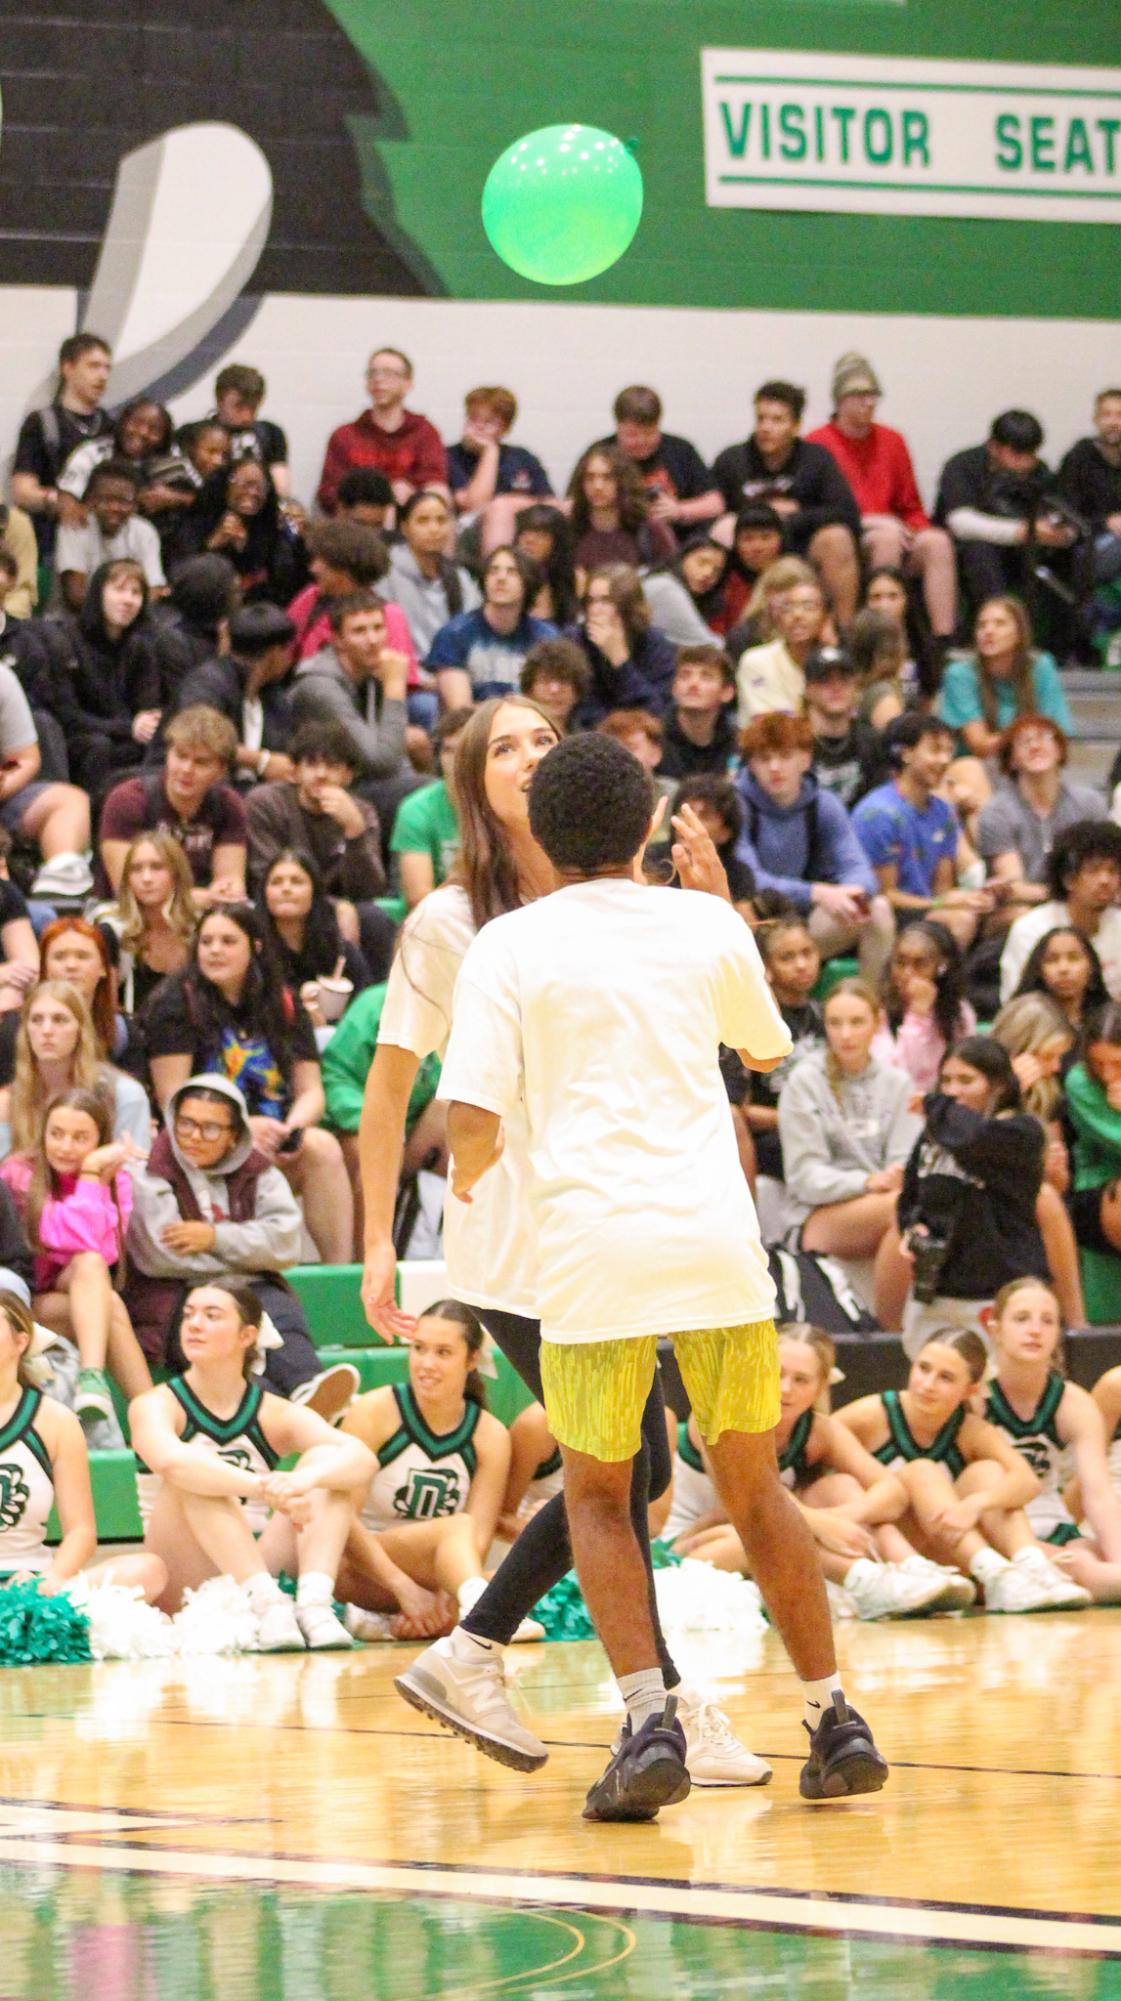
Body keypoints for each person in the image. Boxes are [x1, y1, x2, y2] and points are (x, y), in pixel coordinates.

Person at [435, 731, 887, 1816]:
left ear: (540, 831)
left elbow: (469, 1122)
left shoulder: (507, 944)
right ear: (647, 827)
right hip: (715, 1246)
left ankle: (647, 1723)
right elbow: (769, 1048)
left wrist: (470, 1180)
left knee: (599, 1494)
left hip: (593, 1253)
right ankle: (832, 1714)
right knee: (752, 1484)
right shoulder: (701, 923)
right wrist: (723, 908)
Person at [361, 700, 761, 1787]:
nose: (530, 755)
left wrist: (721, 919)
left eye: (543, 738)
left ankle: (490, 1657)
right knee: (621, 1464)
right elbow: (392, 1093)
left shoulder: (629, 905)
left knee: (636, 1465)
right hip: (512, 1237)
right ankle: (652, 1704)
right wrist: (372, 1244)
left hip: (613, 1224)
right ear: (471, 789)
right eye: (503, 746)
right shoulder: (448, 922)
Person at [129, 1279, 373, 1641]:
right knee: (194, 1470)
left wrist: (301, 1481)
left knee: (326, 1464)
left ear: (247, 1336)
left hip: (258, 1562)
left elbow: (362, 1458)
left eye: (212, 1316)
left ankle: (313, 1605)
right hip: (182, 1569)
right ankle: (266, 1603)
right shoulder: (154, 1404)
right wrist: (261, 1487)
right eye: (188, 1315)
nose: (194, 1325)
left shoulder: (274, 1411)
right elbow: (170, 1462)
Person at [671, 1326, 952, 1620]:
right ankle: (866, 1579)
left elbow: (893, 1493)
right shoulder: (721, 1418)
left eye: (801, 1380)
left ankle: (911, 1567)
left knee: (840, 1486)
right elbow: (748, 1500)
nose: (785, 1389)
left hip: (770, 1533)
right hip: (693, 1545)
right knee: (771, 1532)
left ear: (820, 1388)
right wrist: (819, 1524)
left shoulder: (820, 1430)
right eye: (776, 1374)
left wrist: (839, 1520)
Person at [125, 1077, 354, 1416]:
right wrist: (247, 1254)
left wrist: (214, 1238)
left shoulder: (260, 1172)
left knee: (280, 1312)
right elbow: (161, 1254)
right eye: (186, 1124)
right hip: (175, 1300)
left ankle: (310, 1389)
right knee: (237, 1351)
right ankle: (314, 1414)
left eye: (210, 1129)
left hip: (252, 1290)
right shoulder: (147, 1173)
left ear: (234, 1135)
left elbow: (285, 1244)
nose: (194, 1137)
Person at [144, 903, 353, 1266]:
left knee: (322, 1147)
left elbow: (312, 1091)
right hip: (203, 1144)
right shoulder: (176, 1003)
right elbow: (171, 1097)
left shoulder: (283, 1004)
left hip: (271, 1138)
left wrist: (290, 1130)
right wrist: (242, 1129)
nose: (214, 950)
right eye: (206, 941)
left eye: (228, 941)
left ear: (255, 947)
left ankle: (342, 1274)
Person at [837, 1329, 1089, 1613]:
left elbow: (1027, 1481)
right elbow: (816, 1448)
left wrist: (976, 1503)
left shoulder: (971, 1430)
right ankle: (992, 1570)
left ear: (970, 1389)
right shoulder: (871, 1415)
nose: (927, 1384)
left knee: (991, 1473)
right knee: (923, 1470)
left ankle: (1029, 1565)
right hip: (882, 1548)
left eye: (945, 1378)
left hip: (948, 1557)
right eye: (923, 1369)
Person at [338, 1302, 528, 1640]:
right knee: (458, 1529)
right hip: (359, 1568)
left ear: (472, 1360)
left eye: (443, 1353)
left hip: (435, 1577)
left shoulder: (490, 1434)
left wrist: (442, 1600)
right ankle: (481, 1613)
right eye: (418, 1349)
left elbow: (480, 1539)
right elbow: (340, 1519)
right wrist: (404, 1590)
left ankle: (447, 1611)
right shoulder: (376, 1410)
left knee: (510, 1573)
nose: (426, 1364)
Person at [876, 1038, 1072, 1349]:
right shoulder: (935, 1133)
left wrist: (935, 1106)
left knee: (992, 1393)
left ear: (997, 1085)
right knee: (929, 1388)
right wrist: (912, 1227)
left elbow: (972, 1139)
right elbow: (911, 1194)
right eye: (947, 1081)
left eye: (966, 1080)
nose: (953, 1091)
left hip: (1000, 1296)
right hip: (936, 1292)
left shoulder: (1021, 1133)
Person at [0, 1288, 165, 1603]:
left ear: (21, 1342)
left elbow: (81, 1532)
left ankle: (32, 1612)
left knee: (147, 1570)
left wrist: (49, 1581)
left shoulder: (55, 1421)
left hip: (33, 1584)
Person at [0, 1087, 151, 1428]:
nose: (66, 1146)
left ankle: (98, 1383)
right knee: (107, 1304)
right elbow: (57, 1235)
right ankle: (155, 1423)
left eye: (80, 1138)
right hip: (25, 1299)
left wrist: (95, 1179)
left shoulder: (116, 1180)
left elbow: (105, 1252)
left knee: (94, 1271)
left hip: (75, 1297)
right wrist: (90, 1175)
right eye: (57, 1134)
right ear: (43, 1134)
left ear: (100, 1139)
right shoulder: (19, 1172)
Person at [984, 1277, 1121, 1602]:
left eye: (1048, 1321)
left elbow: (1098, 1495)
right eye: (1021, 1318)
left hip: (1055, 1525)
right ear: (995, 1327)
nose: (1035, 1330)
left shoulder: (1073, 1402)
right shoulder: (974, 1400)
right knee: (1083, 1569)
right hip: (997, 1526)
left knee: (1091, 1557)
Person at [807, 354, 957, 645]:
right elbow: (820, 510)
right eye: (860, 396)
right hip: (852, 536)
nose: (869, 403)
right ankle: (880, 637)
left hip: (895, 530)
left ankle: (942, 641)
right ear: (840, 399)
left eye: (873, 396)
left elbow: (911, 506)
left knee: (937, 542)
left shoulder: (892, 440)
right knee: (884, 538)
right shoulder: (818, 443)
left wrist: (916, 530)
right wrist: (872, 521)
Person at [734, 713, 895, 982]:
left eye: (785, 756)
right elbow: (748, 879)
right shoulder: (736, 804)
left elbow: (858, 868)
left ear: (805, 759)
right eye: (764, 759)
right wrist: (817, 893)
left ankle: (867, 1007)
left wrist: (853, 893)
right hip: (752, 925)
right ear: (751, 764)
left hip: (804, 924)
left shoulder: (824, 804)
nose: (775, 767)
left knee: (877, 909)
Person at [778, 978, 920, 1261]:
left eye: (857, 1022)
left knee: (912, 1210)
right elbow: (805, 1177)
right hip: (816, 1213)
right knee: (901, 1209)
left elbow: (904, 1163)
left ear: (877, 1023)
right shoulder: (804, 1081)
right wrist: (866, 1182)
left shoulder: (899, 1083)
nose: (845, 1034)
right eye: (835, 1023)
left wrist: (891, 1178)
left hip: (882, 1199)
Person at [245, 721, 392, 982]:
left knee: (374, 917)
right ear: (294, 771)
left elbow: (370, 890)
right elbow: (266, 877)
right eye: (311, 764)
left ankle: (371, 1006)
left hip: (336, 908)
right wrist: (332, 906)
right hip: (277, 903)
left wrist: (354, 832)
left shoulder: (361, 812)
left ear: (348, 775)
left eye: (332, 766)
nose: (321, 774)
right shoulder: (266, 803)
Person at [712, 382, 862, 629]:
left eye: (777, 420)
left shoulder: (815, 459)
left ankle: (842, 637)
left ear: (795, 426)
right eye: (761, 418)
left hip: (798, 546)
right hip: (745, 551)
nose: (766, 428)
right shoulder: (733, 460)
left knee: (837, 538)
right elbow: (712, 514)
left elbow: (847, 513)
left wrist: (794, 517)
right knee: (722, 528)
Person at [320, 980, 443, 1250]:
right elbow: (336, 1074)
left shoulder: (462, 1006)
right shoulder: (376, 1004)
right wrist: (377, 1125)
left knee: (466, 1118)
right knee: (375, 1149)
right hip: (356, 1120)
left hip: (415, 1128)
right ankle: (369, 1257)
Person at [853, 715, 988, 951]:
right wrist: (940, 903)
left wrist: (970, 899)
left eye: (949, 751)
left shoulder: (943, 811)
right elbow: (886, 895)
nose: (944, 760)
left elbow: (942, 887)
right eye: (935, 750)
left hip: (926, 909)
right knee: (959, 920)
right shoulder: (879, 813)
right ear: (906, 753)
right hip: (885, 916)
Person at [40, 559, 165, 801]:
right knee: (98, 746)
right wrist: (129, 727)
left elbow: (148, 706)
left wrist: (147, 722)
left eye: (136, 592)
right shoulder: (66, 640)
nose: (128, 600)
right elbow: (67, 715)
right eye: (119, 590)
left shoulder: (141, 645)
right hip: (81, 739)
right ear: (98, 593)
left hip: (126, 738)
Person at [98, 705, 248, 906]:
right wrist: (200, 898)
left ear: (220, 770)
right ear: (168, 753)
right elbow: (127, 891)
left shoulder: (229, 805)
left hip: (200, 911)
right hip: (124, 912)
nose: (187, 769)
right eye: (181, 756)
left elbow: (231, 883)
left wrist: (224, 892)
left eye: (201, 762)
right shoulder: (128, 800)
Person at [290, 592, 414, 826]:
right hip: (323, 788)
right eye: (359, 631)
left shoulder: (372, 673)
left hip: (359, 779)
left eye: (378, 628)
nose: (373, 639)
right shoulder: (320, 686)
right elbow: (381, 761)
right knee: (422, 793)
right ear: (337, 640)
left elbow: (396, 762)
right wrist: (395, 687)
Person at [934, 410, 1070, 615]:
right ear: (993, 447)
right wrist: (1022, 531)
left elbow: (1056, 510)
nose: (1026, 462)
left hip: (1022, 549)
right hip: (969, 550)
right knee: (979, 551)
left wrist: (1059, 533)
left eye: (1031, 454)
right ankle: (996, 622)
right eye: (1017, 454)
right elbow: (960, 522)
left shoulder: (1039, 472)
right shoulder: (963, 466)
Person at [0, 981, 152, 1159]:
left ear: (81, 1030)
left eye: (60, 1020)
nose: (46, 1030)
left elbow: (135, 1174)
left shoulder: (124, 1094)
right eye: (36, 1020)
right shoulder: (9, 1101)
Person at [732, 916, 824, 1183]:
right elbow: (742, 1111)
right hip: (774, 1138)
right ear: (767, 967)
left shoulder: (824, 1015)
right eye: (787, 957)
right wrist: (798, 1119)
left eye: (807, 953)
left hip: (821, 1129)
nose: (801, 965)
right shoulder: (757, 1021)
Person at [977, 716, 1103, 912]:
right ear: (1011, 760)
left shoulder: (1090, 803)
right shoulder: (997, 811)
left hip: (1085, 909)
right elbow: (1015, 889)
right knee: (1021, 914)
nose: (1035, 746)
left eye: (1044, 738)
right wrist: (1077, 895)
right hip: (1020, 910)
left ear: (1060, 750)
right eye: (1024, 741)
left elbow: (1105, 868)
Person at [10, 333, 114, 562]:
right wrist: (58, 501)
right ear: (67, 368)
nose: (102, 376)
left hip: (103, 541)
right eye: (94, 366)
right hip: (52, 541)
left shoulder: (112, 426)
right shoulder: (43, 423)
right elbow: (22, 490)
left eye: (107, 368)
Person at [0, 655, 92, 902]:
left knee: (68, 801)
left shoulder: (3, 680)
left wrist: (4, 782)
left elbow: (24, 759)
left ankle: (58, 894)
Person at [172, 602, 295, 786]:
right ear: (275, 652)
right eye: (288, 649)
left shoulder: (274, 695)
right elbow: (201, 739)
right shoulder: (207, 683)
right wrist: (262, 761)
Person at [1000, 820, 1121, 1003]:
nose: (1105, 880)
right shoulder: (1030, 929)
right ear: (1068, 879)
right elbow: (1016, 1005)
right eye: (1093, 870)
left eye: (1113, 871)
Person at [316, 349, 449, 514]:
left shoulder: (424, 432)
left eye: (389, 373)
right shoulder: (345, 435)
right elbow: (328, 492)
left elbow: (433, 480)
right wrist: (376, 498)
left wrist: (409, 491)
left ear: (408, 384)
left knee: (439, 492)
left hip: (408, 517)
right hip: (358, 521)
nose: (378, 379)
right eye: (373, 373)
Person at [939, 598, 1070, 759]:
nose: (988, 631)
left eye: (999, 624)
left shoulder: (1041, 666)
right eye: (982, 625)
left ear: (1019, 634)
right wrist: (1028, 740)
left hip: (1029, 761)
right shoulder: (959, 674)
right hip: (977, 765)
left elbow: (1056, 732)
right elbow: (979, 745)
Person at [592, 385, 722, 545]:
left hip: (678, 545)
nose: (641, 442)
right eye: (632, 435)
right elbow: (572, 506)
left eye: (649, 433)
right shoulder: (600, 454)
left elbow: (715, 503)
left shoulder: (680, 450)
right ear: (618, 426)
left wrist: (679, 510)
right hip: (615, 544)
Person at [429, 547, 556, 708]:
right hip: (473, 729)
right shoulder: (454, 633)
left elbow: (550, 704)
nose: (501, 578)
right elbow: (460, 710)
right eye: (493, 571)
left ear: (528, 581)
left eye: (512, 572)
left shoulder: (546, 638)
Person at [171, 458, 305, 607]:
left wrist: (245, 548)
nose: (252, 492)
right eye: (245, 484)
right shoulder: (196, 522)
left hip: (261, 613)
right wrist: (214, 542)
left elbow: (287, 585)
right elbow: (181, 576)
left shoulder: (273, 528)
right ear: (226, 485)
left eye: (260, 487)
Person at [286, 518, 416, 670]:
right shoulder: (310, 597)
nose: (313, 568)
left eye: (320, 561)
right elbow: (284, 651)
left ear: (343, 569)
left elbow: (401, 677)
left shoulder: (389, 615)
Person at [258, 847, 370, 1015]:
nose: (286, 888)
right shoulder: (253, 949)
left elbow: (364, 1007)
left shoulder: (341, 951)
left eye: (296, 881)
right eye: (276, 882)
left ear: (314, 892)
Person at [100, 832, 195, 1020]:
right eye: (136, 869)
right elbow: (106, 1013)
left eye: (157, 867)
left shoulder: (199, 930)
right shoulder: (112, 932)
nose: (146, 878)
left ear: (176, 874)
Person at [447, 387, 552, 552]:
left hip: (521, 532)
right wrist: (490, 452)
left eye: (489, 422)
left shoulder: (523, 457)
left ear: (505, 429)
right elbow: (475, 506)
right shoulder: (450, 456)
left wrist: (510, 504)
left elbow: (548, 503)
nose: (479, 427)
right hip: (468, 536)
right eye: (473, 418)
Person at [874, 921, 975, 1093]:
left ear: (942, 967)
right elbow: (898, 1077)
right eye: (900, 962)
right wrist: (917, 1017)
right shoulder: (877, 1012)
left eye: (920, 964)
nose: (907, 974)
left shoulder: (960, 1013)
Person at [571, 565, 676, 726]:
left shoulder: (656, 644)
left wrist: (620, 661)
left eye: (605, 601)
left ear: (628, 606)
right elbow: (582, 710)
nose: (595, 610)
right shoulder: (574, 641)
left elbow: (657, 713)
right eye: (590, 601)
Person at [54, 459, 166, 610]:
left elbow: (154, 589)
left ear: (135, 505)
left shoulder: (145, 532)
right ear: (91, 500)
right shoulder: (75, 525)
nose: (114, 508)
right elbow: (75, 594)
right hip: (76, 620)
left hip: (130, 618)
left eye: (124, 501)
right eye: (106, 500)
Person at [383, 491, 481, 659]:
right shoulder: (385, 575)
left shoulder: (460, 577)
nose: (434, 529)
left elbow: (474, 631)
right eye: (423, 521)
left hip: (453, 673)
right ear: (405, 528)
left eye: (441, 520)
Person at [390, 709, 469, 909]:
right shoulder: (416, 808)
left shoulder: (504, 802)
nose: (456, 760)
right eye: (449, 750)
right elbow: (418, 898)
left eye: (466, 750)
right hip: (434, 920)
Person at [566, 445, 676, 579]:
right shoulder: (569, 528)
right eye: (590, 478)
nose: (597, 486)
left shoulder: (649, 529)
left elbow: (672, 577)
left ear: (622, 481)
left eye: (607, 478)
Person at [1066, 1003, 1121, 1262]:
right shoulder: (1081, 1081)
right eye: (1098, 1063)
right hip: (1100, 1187)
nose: (1109, 1075)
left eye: (1118, 1063)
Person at [735, 572, 830, 722]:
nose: (797, 615)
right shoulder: (756, 661)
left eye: (809, 606)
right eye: (788, 607)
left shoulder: (836, 661)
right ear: (778, 619)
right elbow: (767, 725)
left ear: (826, 616)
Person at [803, 646, 884, 809]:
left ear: (855, 686)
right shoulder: (794, 744)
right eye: (825, 680)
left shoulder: (873, 742)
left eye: (844, 679)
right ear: (808, 690)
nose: (836, 687)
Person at [1058, 388, 1121, 588]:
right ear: (1096, 419)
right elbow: (1065, 511)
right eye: (1106, 415)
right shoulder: (1080, 457)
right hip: (1088, 545)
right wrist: (1105, 522)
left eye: (1120, 415)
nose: (1113, 422)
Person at [667, 777, 756, 914]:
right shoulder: (650, 860)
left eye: (705, 816)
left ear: (724, 833)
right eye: (684, 813)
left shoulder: (739, 874)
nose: (689, 822)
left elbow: (743, 928)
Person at [655, 645, 738, 781]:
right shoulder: (655, 738)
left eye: (706, 677)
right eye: (685, 676)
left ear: (727, 692)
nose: (693, 684)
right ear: (674, 688)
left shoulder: (737, 744)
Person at [207, 363, 290, 494]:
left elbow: (281, 489)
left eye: (253, 407)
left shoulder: (271, 434)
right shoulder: (195, 435)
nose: (247, 415)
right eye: (239, 406)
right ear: (220, 400)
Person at [632, 538, 727, 648]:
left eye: (716, 571)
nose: (708, 573)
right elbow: (707, 646)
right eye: (702, 562)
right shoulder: (665, 587)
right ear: (684, 557)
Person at [1012, 924, 1108, 1031]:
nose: (1063, 968)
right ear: (1038, 970)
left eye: (1073, 958)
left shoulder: (1109, 1023)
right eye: (1052, 960)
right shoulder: (1020, 1023)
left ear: (1091, 967)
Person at [712, 504, 786, 638]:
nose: (757, 547)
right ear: (736, 543)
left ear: (781, 539)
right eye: (748, 539)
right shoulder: (724, 582)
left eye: (766, 537)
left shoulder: (795, 578)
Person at [513, 505, 580, 626]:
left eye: (540, 535)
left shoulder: (568, 582)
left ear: (556, 543)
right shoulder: (507, 577)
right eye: (524, 532)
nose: (529, 540)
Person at [518, 638, 591, 735]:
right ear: (529, 690)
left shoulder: (586, 745)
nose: (554, 690)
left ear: (577, 692)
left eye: (563, 680)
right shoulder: (516, 738)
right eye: (545, 681)